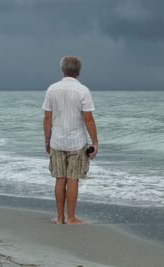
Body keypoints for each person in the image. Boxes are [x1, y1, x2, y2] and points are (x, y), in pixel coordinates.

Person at [42, 56, 98, 224]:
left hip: (57, 140)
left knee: (60, 178)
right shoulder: (83, 91)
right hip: (77, 142)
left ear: (62, 70)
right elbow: (88, 119)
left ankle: (60, 218)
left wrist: (47, 139)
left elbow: (47, 118)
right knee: (73, 179)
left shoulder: (52, 89)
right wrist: (95, 142)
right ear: (78, 72)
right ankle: (71, 217)